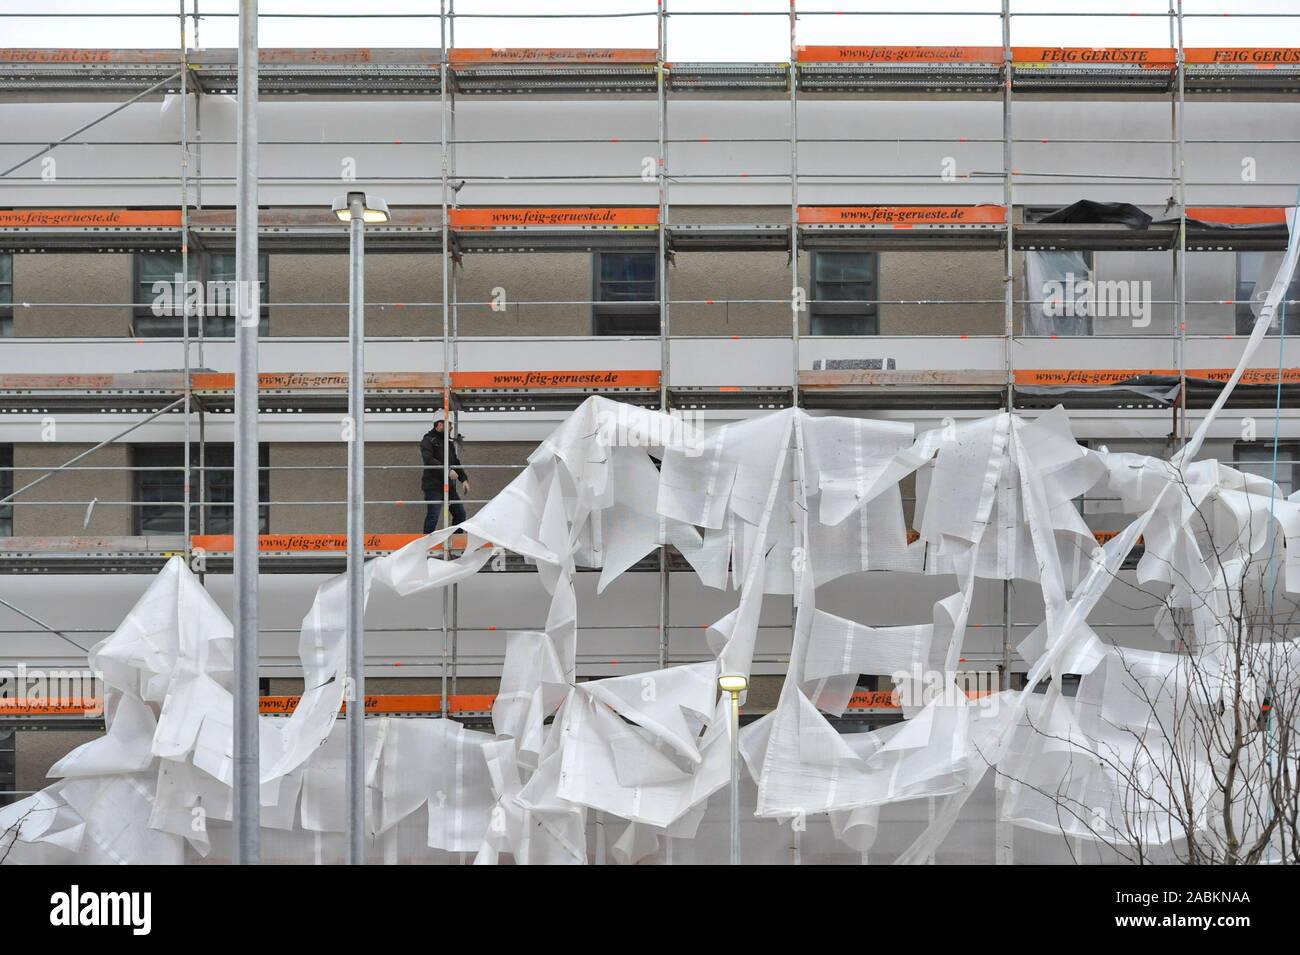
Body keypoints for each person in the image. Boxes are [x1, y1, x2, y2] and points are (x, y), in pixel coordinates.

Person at [420, 414, 469, 533]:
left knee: (460, 514)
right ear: (440, 424)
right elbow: (429, 460)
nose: (451, 427)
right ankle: (426, 544)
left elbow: (455, 461)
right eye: (450, 424)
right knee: (433, 515)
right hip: (433, 486)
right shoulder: (427, 440)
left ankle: (454, 540)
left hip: (449, 487)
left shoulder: (448, 442)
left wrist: (464, 479)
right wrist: (447, 471)